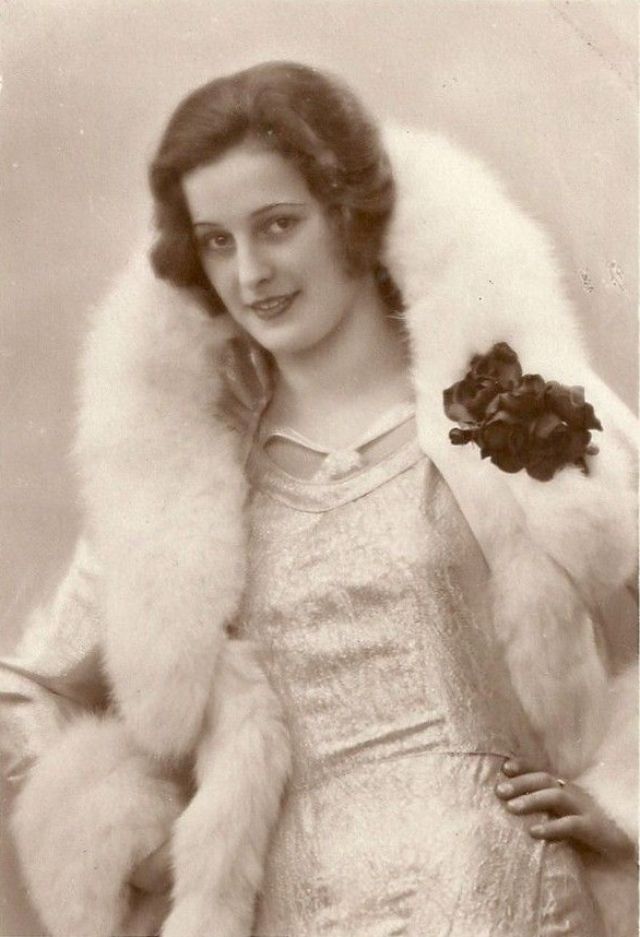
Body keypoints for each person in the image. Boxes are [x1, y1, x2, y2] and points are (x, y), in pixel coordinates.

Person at [1, 61, 637, 937]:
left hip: (518, 907)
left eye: (278, 224)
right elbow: (27, 692)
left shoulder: (521, 404)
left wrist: (625, 799)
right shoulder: (178, 491)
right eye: (216, 240)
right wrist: (140, 845)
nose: (251, 272)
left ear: (349, 214)